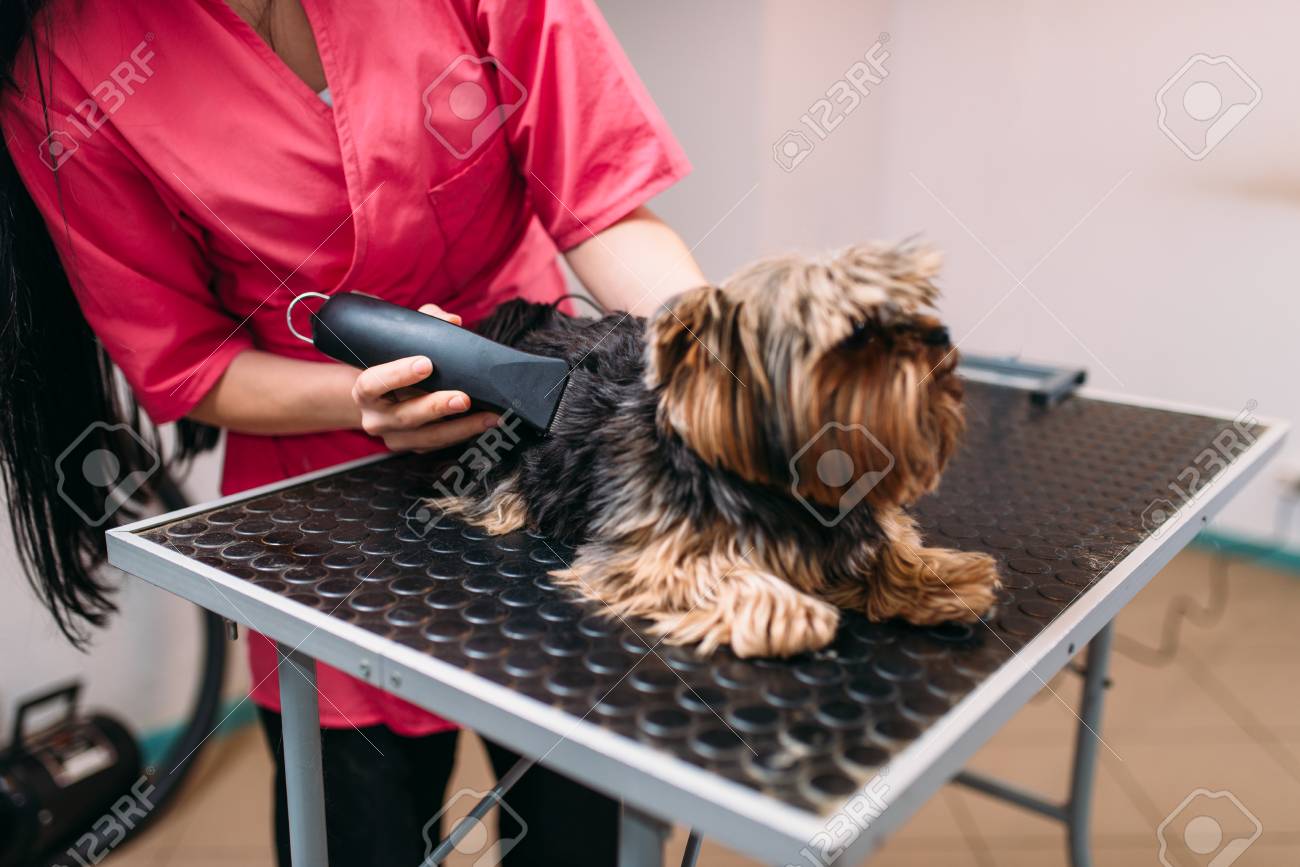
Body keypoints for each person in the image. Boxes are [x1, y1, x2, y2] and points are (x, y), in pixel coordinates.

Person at [0, 0, 705, 863]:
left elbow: (602, 202)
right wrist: (358, 399)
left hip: (544, 455)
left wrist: (717, 370)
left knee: (579, 833)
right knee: (357, 830)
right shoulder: (73, 69)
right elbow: (189, 363)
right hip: (325, 512)